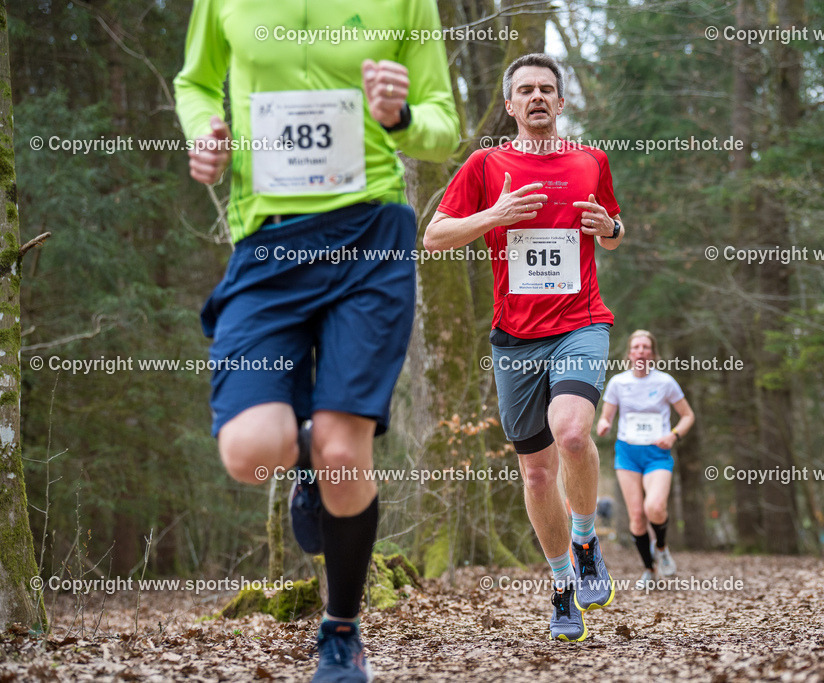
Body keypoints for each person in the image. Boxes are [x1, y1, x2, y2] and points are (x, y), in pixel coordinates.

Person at [174, 2, 458, 680]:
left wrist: (402, 118)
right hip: (267, 242)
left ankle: (341, 630)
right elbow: (192, 80)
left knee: (342, 447)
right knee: (250, 451)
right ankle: (304, 462)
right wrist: (204, 134)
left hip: (369, 242)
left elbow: (443, 127)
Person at [424, 53, 625, 642]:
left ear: (561, 103)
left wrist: (607, 228)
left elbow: (615, 230)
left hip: (580, 322)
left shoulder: (592, 160)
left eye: (547, 89)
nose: (537, 97)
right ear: (510, 105)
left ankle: (586, 541)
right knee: (537, 475)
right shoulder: (486, 164)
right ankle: (562, 582)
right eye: (526, 90)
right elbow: (433, 237)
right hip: (514, 339)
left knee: (571, 433)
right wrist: (495, 215)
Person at [596, 330, 695, 587]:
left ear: (653, 353)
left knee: (655, 507)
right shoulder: (618, 383)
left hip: (657, 453)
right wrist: (604, 424)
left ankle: (661, 548)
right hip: (628, 453)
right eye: (636, 347)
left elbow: (687, 416)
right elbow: (606, 416)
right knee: (638, 516)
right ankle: (649, 570)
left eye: (646, 347)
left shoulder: (665, 382)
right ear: (629, 354)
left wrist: (673, 436)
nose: (641, 351)